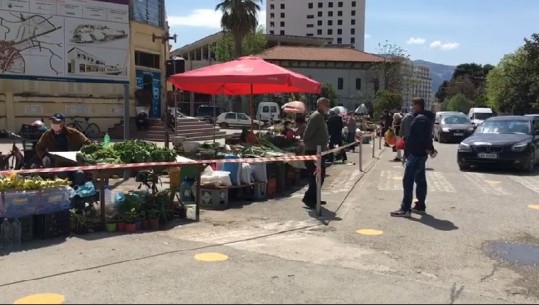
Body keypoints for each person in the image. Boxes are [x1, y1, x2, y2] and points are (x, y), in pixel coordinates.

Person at [390, 98, 436, 217]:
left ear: (418, 106)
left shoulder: (419, 119)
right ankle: (420, 206)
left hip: (414, 153)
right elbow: (426, 137)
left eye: (413, 105)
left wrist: (408, 151)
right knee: (420, 180)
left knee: (408, 180)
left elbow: (416, 137)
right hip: (421, 154)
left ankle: (405, 208)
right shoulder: (427, 118)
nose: (411, 107)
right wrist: (429, 149)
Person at [36, 113, 92, 186]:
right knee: (62, 177)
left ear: (62, 123)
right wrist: (44, 156)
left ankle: (77, 193)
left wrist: (82, 153)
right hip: (58, 165)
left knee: (79, 175)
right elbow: (39, 147)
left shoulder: (73, 133)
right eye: (53, 122)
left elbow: (87, 143)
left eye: (57, 122)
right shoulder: (47, 135)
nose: (54, 124)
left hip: (74, 163)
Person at [302, 97, 330, 209]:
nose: (328, 107)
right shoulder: (316, 116)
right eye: (326, 104)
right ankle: (309, 199)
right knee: (316, 177)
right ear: (320, 105)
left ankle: (314, 198)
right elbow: (307, 134)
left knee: (319, 176)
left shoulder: (320, 116)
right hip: (313, 151)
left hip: (318, 151)